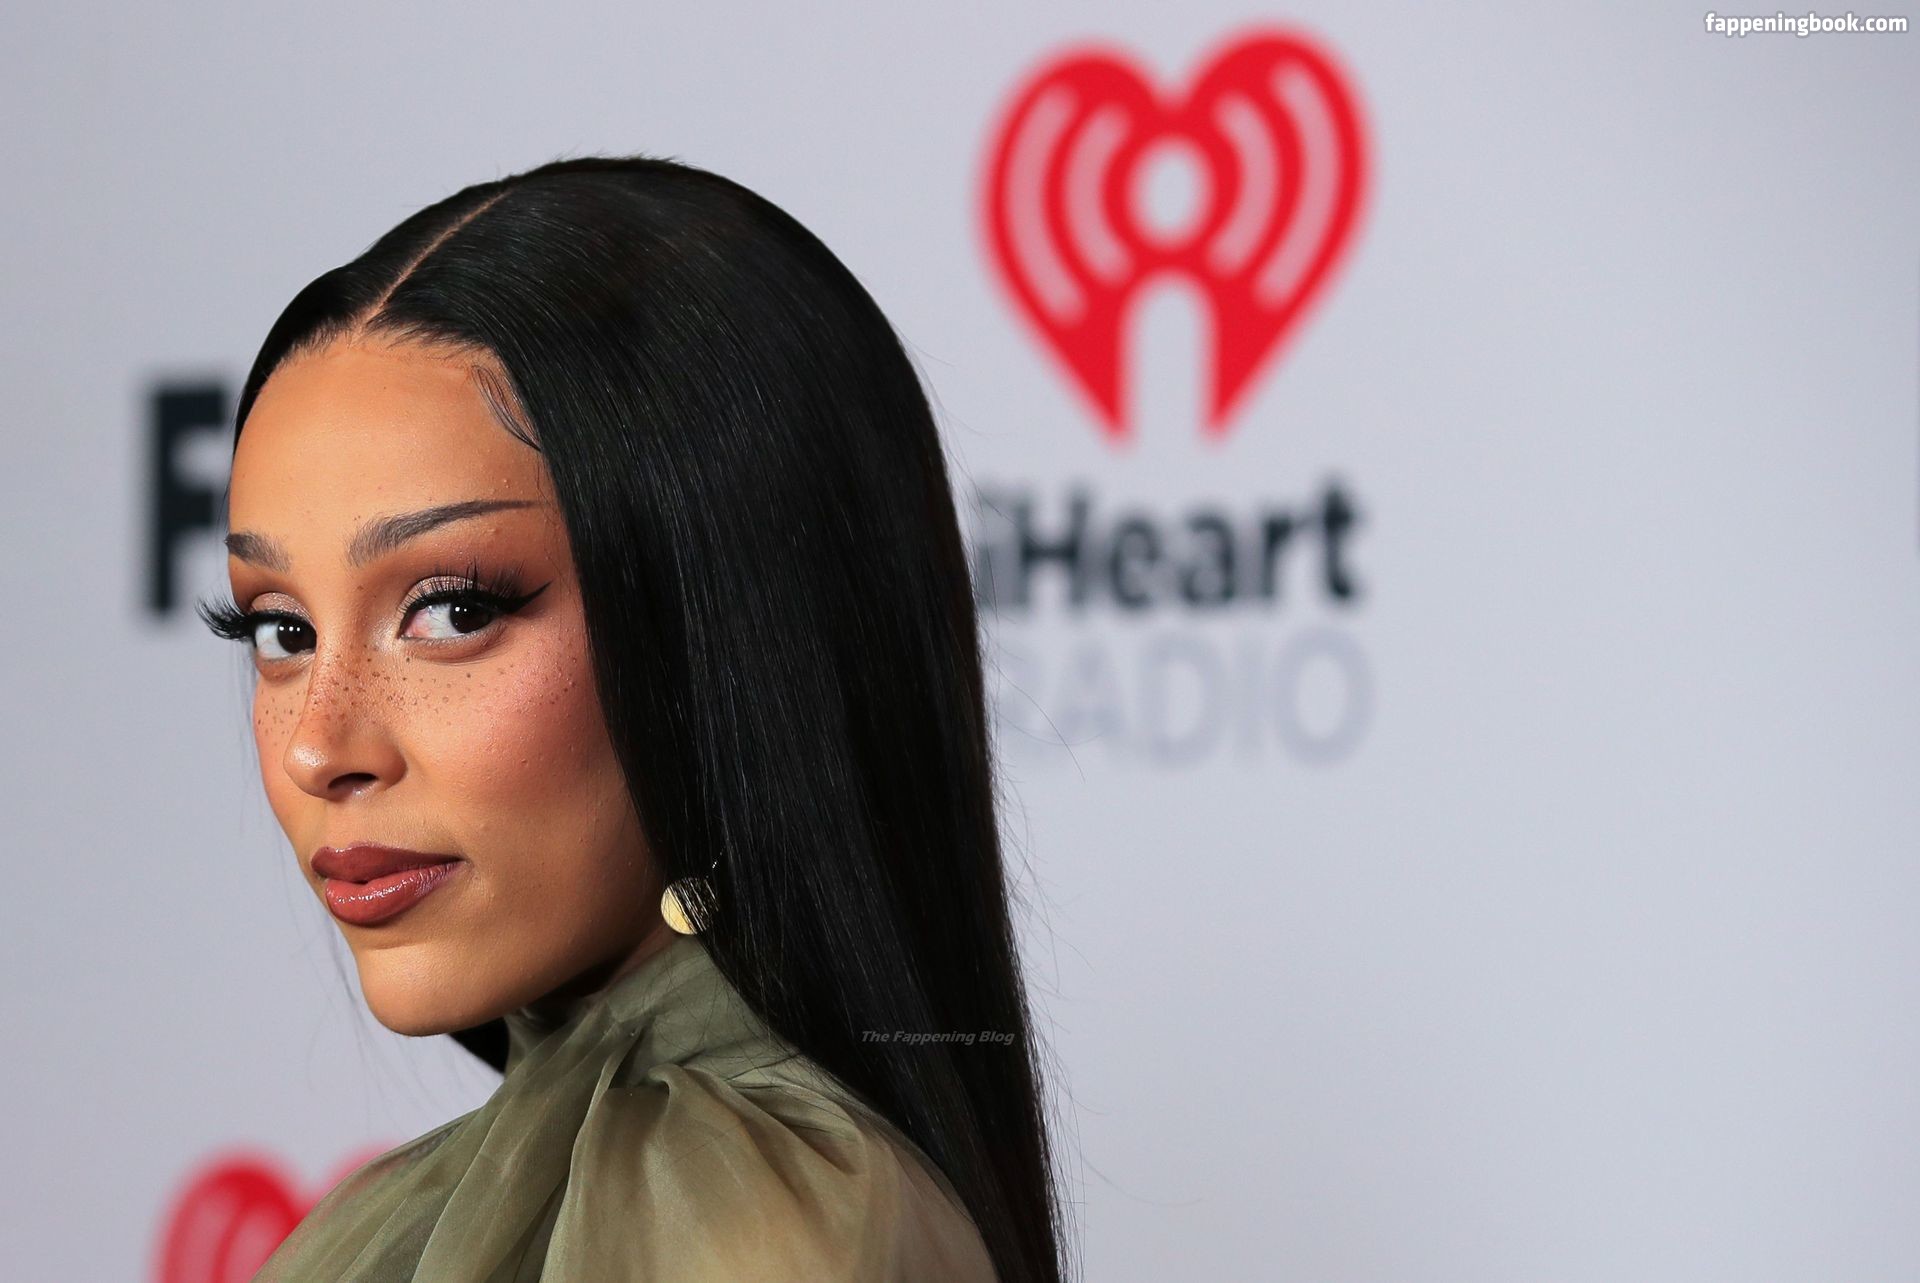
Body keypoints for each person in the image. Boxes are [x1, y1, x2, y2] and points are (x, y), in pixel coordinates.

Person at [197, 152, 1071, 1281]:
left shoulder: (748, 1224)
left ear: (723, 630)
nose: (320, 746)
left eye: (452, 609)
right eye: (281, 630)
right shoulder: (463, 1201)